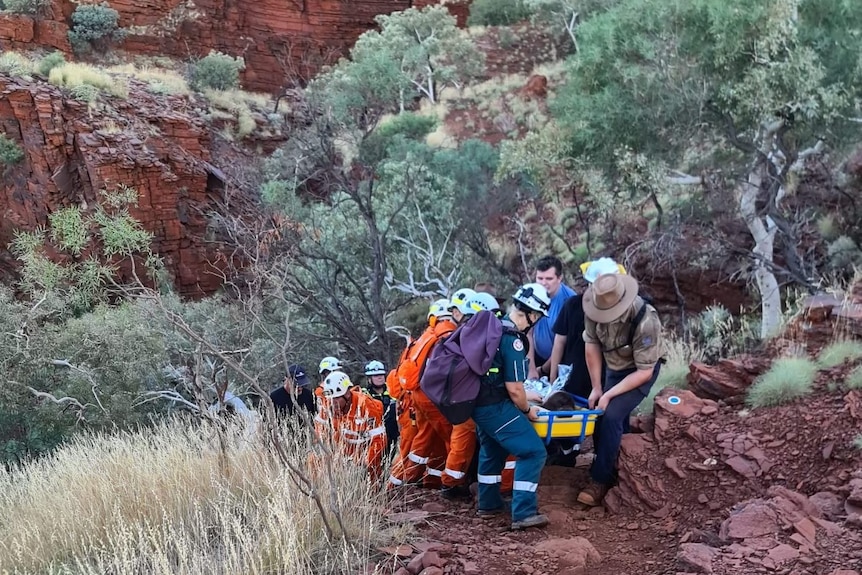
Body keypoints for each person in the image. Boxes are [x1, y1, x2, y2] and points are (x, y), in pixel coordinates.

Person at [577, 273, 665, 507]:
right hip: (614, 365)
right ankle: (615, 463)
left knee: (612, 415)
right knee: (598, 412)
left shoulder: (646, 319)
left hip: (640, 369)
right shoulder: (593, 309)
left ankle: (600, 479)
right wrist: (597, 388)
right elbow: (591, 347)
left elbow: (645, 371)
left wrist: (609, 394)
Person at [472, 283, 551, 531]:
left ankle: (489, 503)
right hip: (495, 407)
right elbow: (515, 390)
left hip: (478, 405)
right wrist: (528, 410)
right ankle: (524, 513)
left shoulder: (495, 327)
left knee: (492, 449)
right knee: (533, 451)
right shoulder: (512, 340)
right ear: (533, 314)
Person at [388, 299, 457, 488]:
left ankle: (411, 481)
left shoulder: (423, 339)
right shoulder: (446, 333)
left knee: (423, 440)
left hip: (413, 398)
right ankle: (454, 483)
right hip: (430, 397)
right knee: (454, 438)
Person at [548, 258, 628, 397]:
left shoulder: (623, 310)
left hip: (608, 379)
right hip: (573, 379)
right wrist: (553, 378)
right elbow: (559, 342)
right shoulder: (572, 305)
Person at [315, 371, 387, 479]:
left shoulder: (365, 405)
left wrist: (366, 460)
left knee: (371, 474)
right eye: (330, 398)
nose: (333, 402)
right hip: (341, 451)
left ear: (347, 394)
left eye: (336, 398)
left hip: (363, 450)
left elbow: (379, 439)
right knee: (314, 460)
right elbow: (318, 428)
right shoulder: (329, 404)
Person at [528, 256, 576, 380]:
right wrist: (531, 368)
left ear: (559, 278)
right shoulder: (531, 294)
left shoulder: (569, 301)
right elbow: (527, 332)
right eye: (540, 278)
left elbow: (563, 343)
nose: (543, 283)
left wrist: (544, 370)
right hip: (535, 357)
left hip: (560, 362)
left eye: (549, 279)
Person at [363, 360, 399, 454]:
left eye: (381, 375)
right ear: (369, 378)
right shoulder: (364, 395)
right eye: (375, 375)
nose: (379, 377)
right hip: (372, 439)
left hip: (393, 436)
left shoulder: (393, 391)